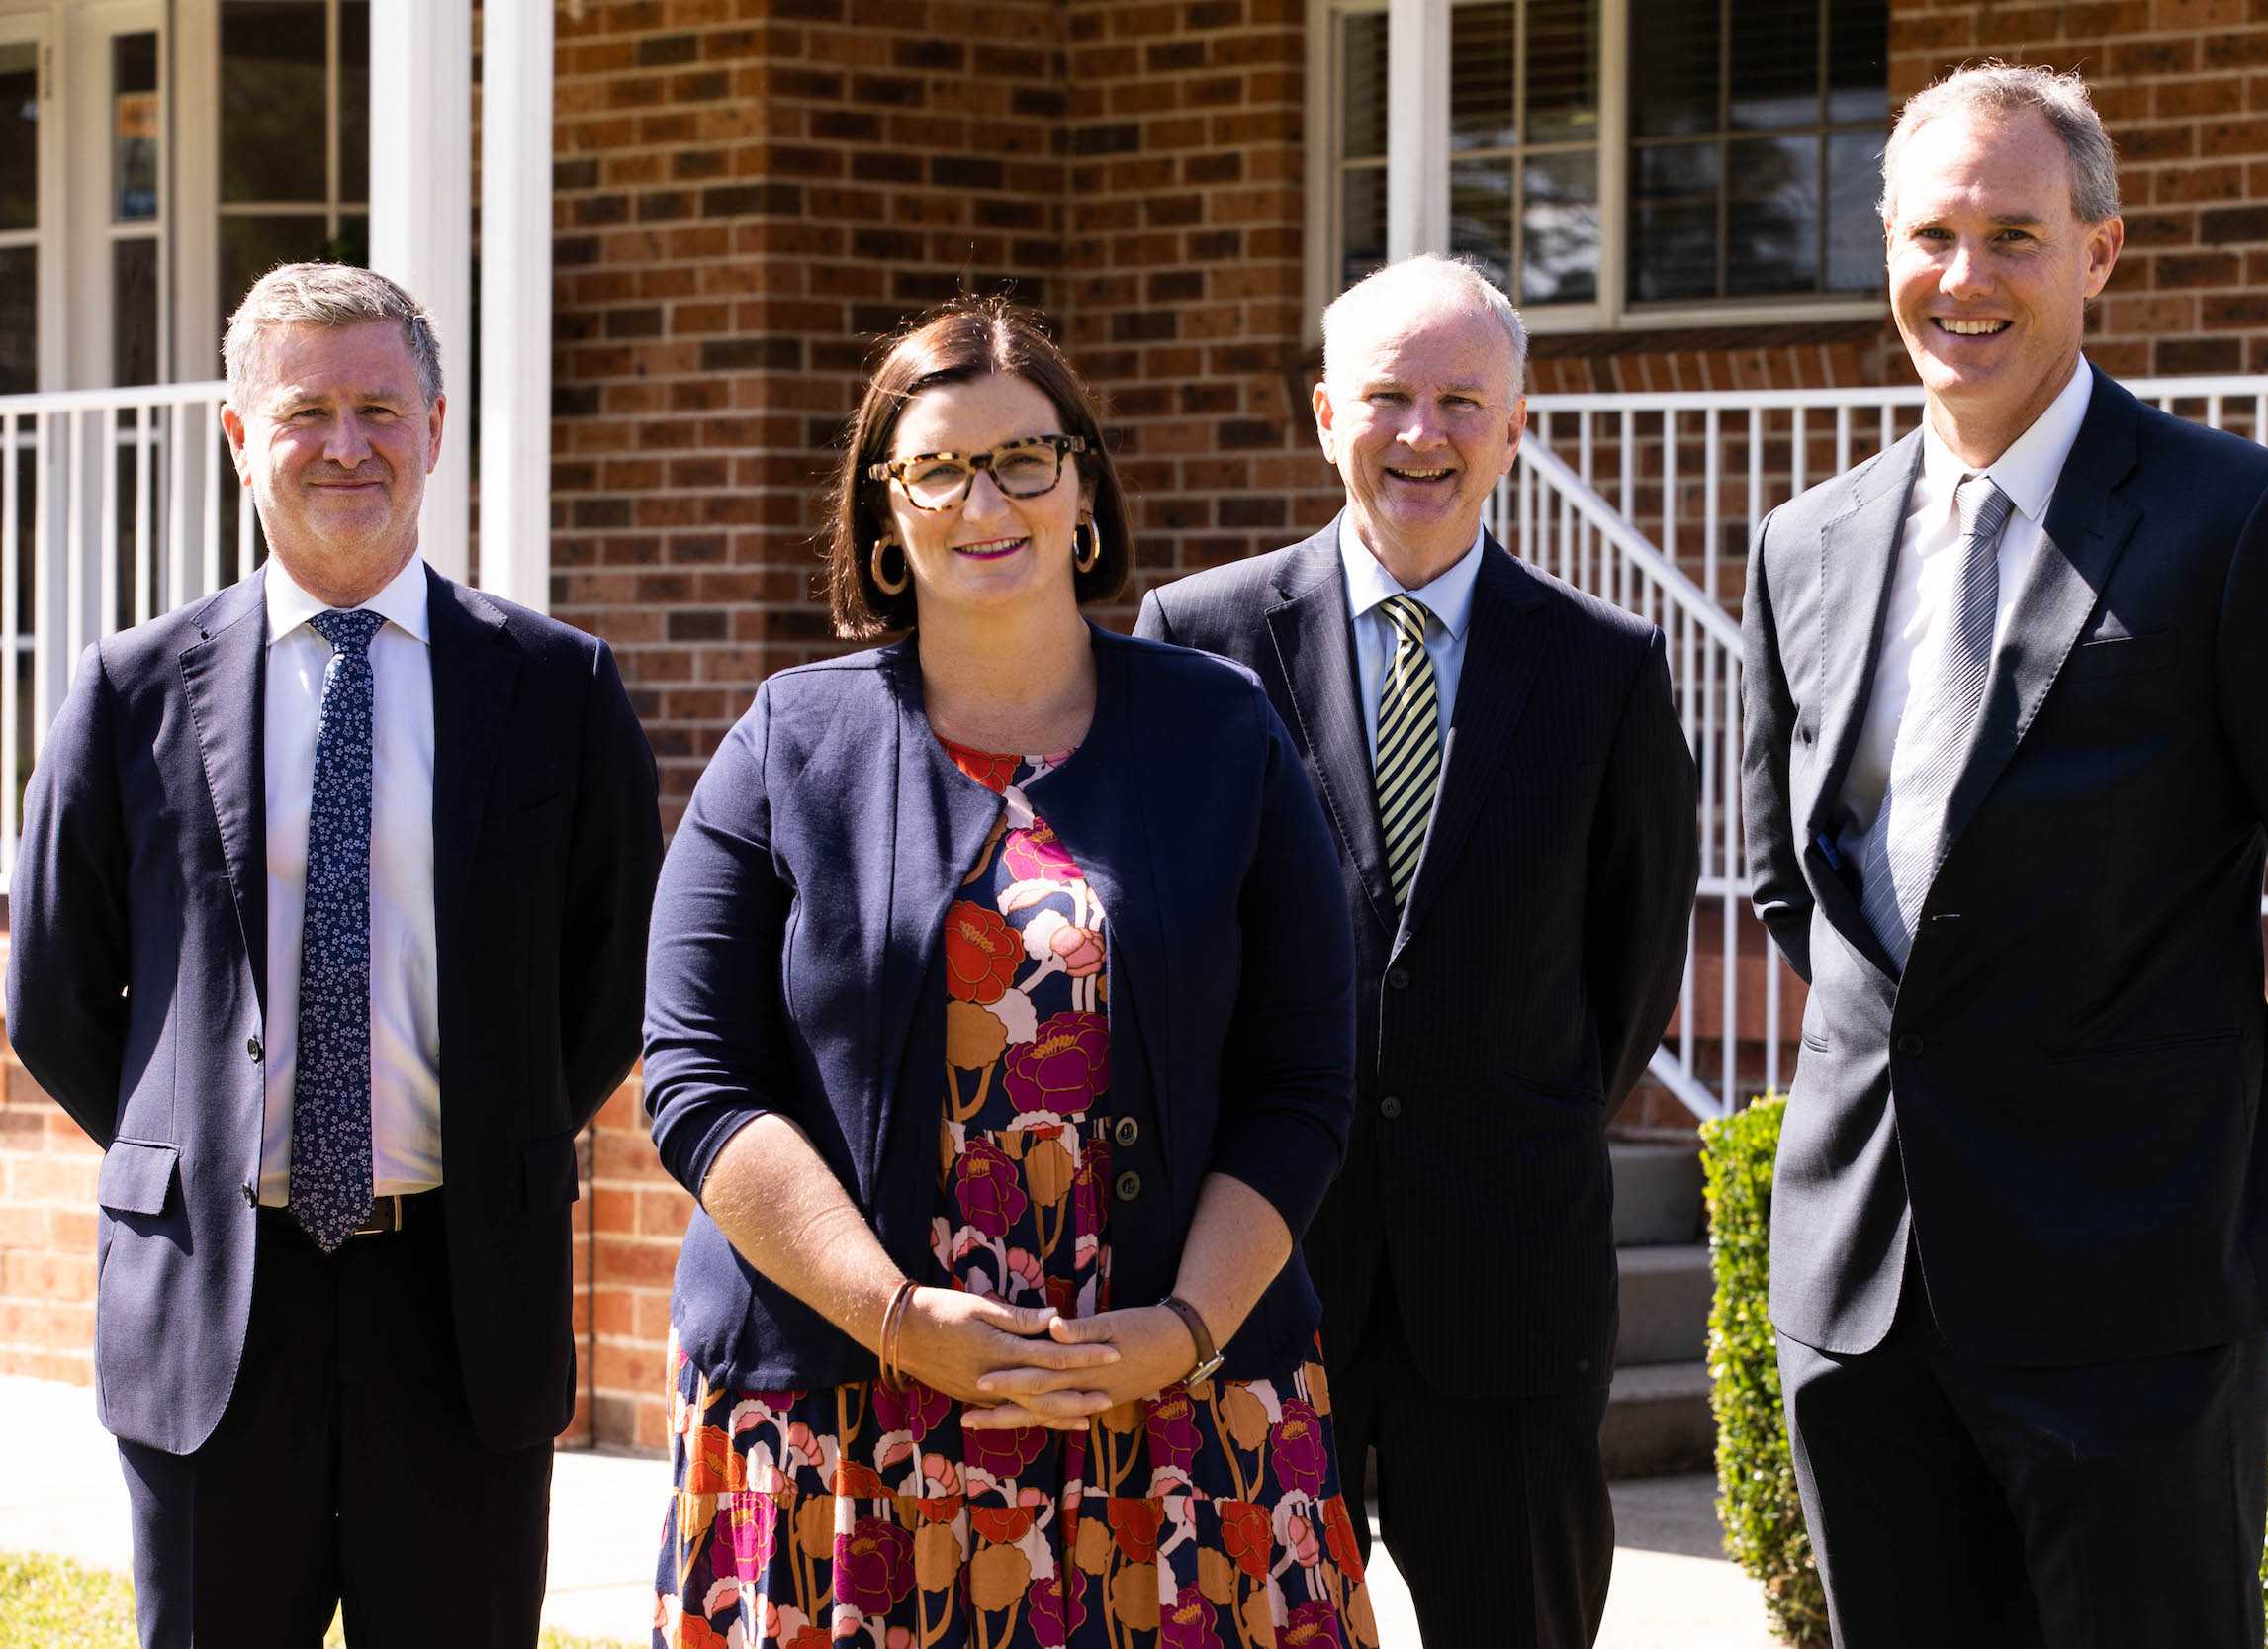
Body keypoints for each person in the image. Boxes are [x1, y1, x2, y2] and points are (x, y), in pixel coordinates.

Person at [1739, 62, 2268, 1648]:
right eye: (1931, 233)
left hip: (2135, 1299)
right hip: (1859, 1299)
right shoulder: (1808, 542)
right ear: (1884, 249)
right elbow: (1804, 887)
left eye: (2015, 234)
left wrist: (2266, 1155)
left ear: (2101, 253)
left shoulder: (2241, 524)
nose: (1966, 278)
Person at [643, 299, 1377, 1649]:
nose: (987, 499)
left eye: (1025, 459)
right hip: (846, 1423)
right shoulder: (787, 739)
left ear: (1083, 488)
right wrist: (896, 1317)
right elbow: (696, 1079)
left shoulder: (1223, 734)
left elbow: (1303, 1081)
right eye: (937, 466)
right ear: (886, 511)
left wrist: (1184, 1330)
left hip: (1179, 1422)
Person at [4, 262, 662, 1648]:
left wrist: (498, 1132)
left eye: (380, 407)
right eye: (307, 410)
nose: (347, 445)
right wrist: (188, 1139)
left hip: (464, 1299)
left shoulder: (556, 686)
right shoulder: (129, 691)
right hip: (216, 1312)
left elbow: (610, 985)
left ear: (435, 424)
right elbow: (56, 994)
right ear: (241, 435)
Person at [1135, 255, 1700, 1647]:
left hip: (1509, 1286)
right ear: (1326, 412)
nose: (1420, 435)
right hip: (1259, 1272)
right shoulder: (1195, 648)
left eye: (1461, 400)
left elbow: (1631, 962)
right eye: (1387, 396)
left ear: (1517, 428)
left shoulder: (1603, 665)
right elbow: (1159, 953)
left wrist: (1532, 1108)